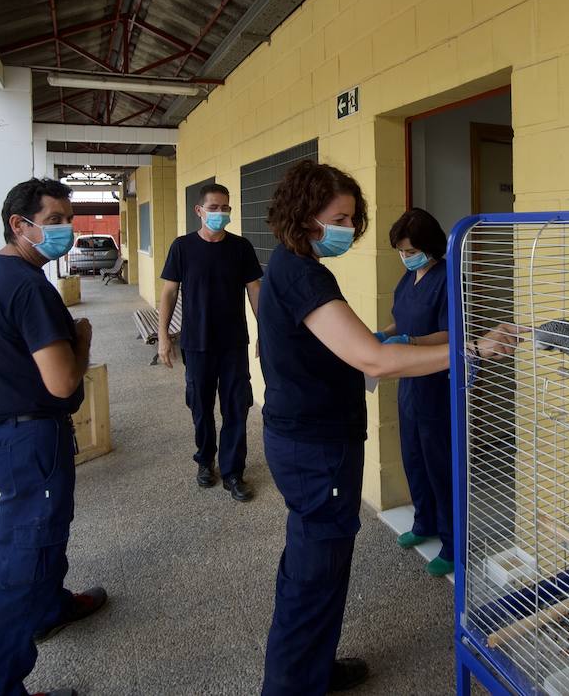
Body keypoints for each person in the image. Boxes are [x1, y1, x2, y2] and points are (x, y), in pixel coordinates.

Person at [256, 160, 520, 695]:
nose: (348, 229)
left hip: (306, 435)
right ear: (304, 215)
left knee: (318, 564)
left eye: (352, 219)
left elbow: (350, 345)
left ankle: (311, 668)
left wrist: (383, 344)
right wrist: (472, 348)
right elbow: (373, 359)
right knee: (314, 571)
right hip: (315, 447)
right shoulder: (303, 274)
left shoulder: (288, 265)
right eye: (339, 218)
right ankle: (291, 684)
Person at [0, 178, 108, 696]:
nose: (65, 230)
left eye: (68, 219)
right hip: (30, 440)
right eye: (54, 221)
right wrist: (82, 341)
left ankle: (50, 608)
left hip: (10, 434)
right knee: (18, 566)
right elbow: (63, 382)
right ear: (18, 225)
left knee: (45, 536)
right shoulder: (27, 287)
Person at [157, 183, 264, 501]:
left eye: (225, 208)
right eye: (214, 207)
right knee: (201, 407)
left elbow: (255, 290)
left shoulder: (240, 247)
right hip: (196, 343)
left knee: (236, 408)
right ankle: (205, 461)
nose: (220, 213)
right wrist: (163, 337)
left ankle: (233, 472)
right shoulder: (182, 247)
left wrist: (265, 332)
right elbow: (169, 292)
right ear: (199, 211)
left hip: (233, 344)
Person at [376, 209, 455, 576]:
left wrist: (411, 342)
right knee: (412, 457)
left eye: (410, 251)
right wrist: (385, 334)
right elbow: (402, 319)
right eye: (401, 251)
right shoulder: (408, 279)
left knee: (440, 464)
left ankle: (452, 544)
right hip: (409, 382)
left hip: (436, 383)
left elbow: (451, 332)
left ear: (429, 246)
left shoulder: (447, 278)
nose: (405, 257)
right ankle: (424, 523)